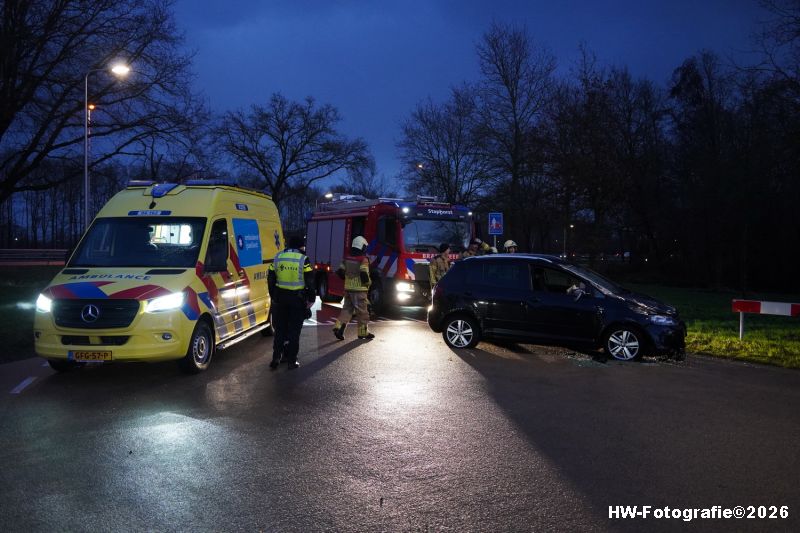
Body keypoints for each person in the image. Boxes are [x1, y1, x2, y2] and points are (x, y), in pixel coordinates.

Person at [267, 235, 315, 370]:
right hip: (297, 300)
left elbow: (270, 278)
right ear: (300, 246)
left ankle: (276, 358)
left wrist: (273, 295)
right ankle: (292, 361)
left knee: (280, 330)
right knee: (294, 331)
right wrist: (311, 299)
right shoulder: (303, 259)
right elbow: (310, 281)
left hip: (280, 299)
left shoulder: (278, 257)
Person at [332, 236, 374, 340]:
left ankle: (338, 327)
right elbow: (364, 274)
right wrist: (368, 283)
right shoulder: (363, 259)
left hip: (348, 289)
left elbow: (340, 272)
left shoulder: (347, 258)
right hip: (360, 290)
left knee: (347, 310)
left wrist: (348, 279)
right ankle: (363, 333)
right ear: (362, 246)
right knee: (363, 313)